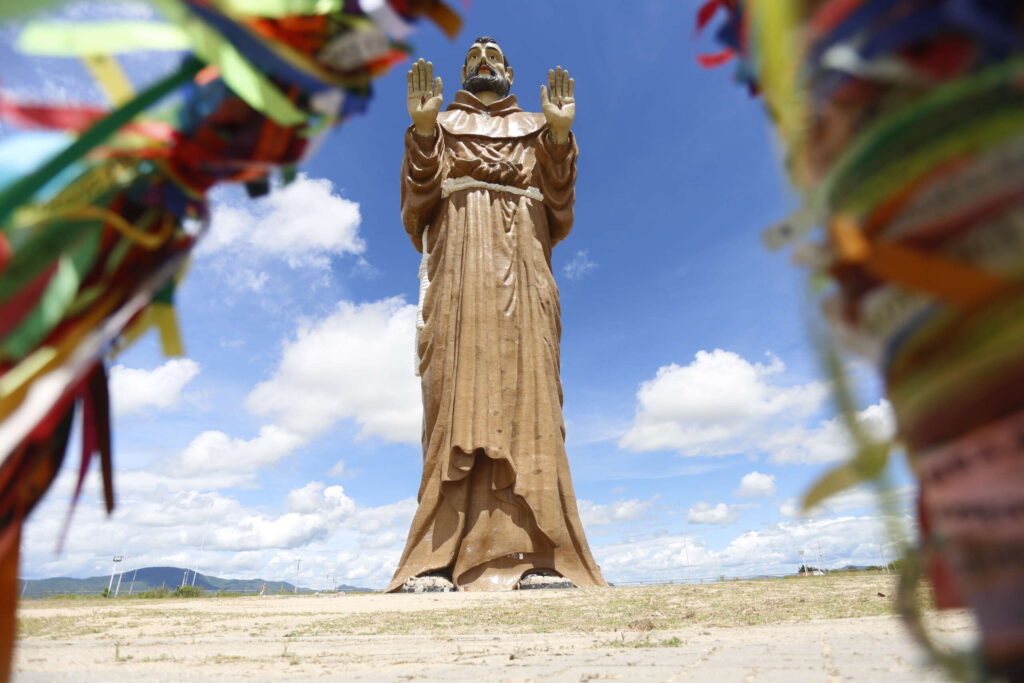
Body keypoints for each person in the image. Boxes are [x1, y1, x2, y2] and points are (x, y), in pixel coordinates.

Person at [387, 37, 607, 592]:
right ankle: (436, 559)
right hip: (460, 268)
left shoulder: (537, 127)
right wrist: (422, 132)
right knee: (454, 396)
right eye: (474, 55)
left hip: (527, 265)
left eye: (494, 54)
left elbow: (559, 205)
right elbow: (417, 200)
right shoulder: (440, 125)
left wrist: (557, 136)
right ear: (465, 72)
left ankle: (537, 555)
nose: (484, 57)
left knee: (531, 396)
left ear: (509, 70)